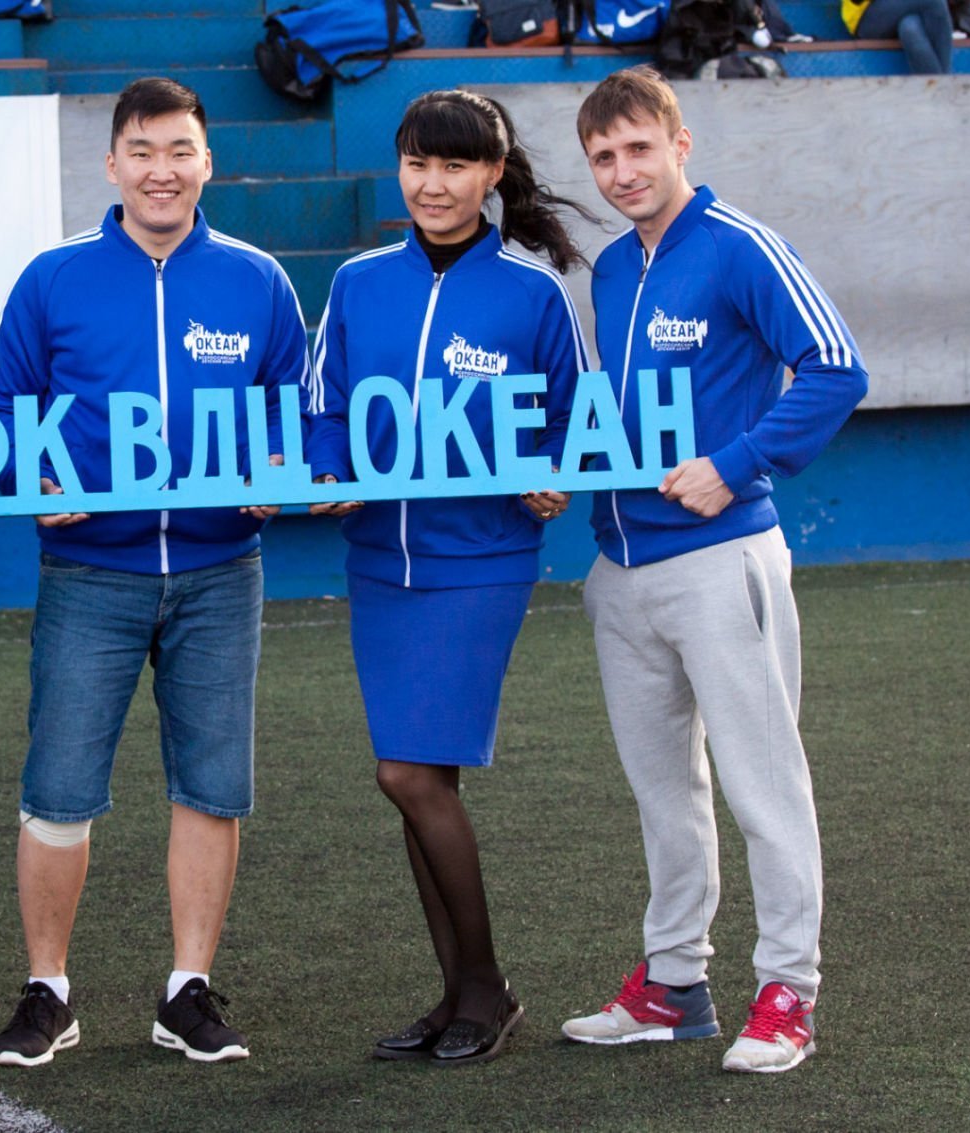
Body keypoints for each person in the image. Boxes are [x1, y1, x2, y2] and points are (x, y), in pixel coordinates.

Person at [0, 76, 309, 1068]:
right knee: (58, 786)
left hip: (221, 571)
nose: (161, 171)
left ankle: (186, 988)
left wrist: (276, 469)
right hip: (89, 571)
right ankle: (48, 989)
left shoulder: (257, 280)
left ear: (207, 161)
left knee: (211, 785)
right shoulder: (53, 278)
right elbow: (0, 412)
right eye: (142, 151)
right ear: (112, 162)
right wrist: (29, 478)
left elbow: (294, 412)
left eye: (179, 151)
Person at [561, 66, 868, 1074]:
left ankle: (787, 991)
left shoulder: (739, 246)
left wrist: (735, 462)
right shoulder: (612, 268)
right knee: (664, 793)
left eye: (637, 148)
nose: (622, 171)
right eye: (602, 156)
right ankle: (673, 982)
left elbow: (836, 366)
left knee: (762, 785)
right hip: (621, 568)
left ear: (679, 143)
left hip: (721, 557)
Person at [303, 89, 590, 1066]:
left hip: (480, 563)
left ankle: (487, 984)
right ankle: (460, 994)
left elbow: (572, 417)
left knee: (407, 772)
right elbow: (325, 406)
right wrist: (328, 469)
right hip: (379, 563)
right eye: (418, 163)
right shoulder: (357, 283)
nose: (433, 184)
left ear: (491, 176)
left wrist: (551, 470)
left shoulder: (532, 293)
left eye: (456, 166)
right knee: (418, 775)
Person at [842, 0, 953, 74]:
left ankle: (936, 90)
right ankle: (944, 85)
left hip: (898, 11)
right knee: (934, 1)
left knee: (910, 28)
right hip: (866, 18)